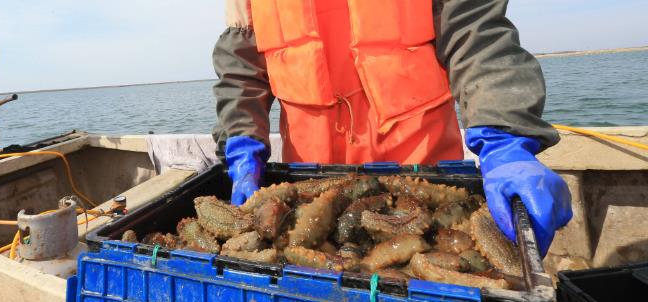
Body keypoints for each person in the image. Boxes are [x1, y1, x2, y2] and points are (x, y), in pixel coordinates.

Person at [211, 0, 571, 257]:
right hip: (309, 183)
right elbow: (240, 72)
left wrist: (503, 138)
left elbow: (477, 37)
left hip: (426, 176)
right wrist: (240, 143)